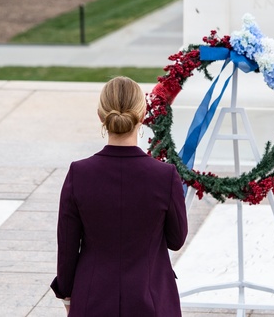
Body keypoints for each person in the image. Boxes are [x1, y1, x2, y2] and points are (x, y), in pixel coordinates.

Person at [51, 75, 188, 316]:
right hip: (152, 299)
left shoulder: (79, 173)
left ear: (100, 115)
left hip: (92, 298)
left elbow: (68, 248)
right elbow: (176, 240)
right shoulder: (165, 176)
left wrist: (66, 293)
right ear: (143, 115)